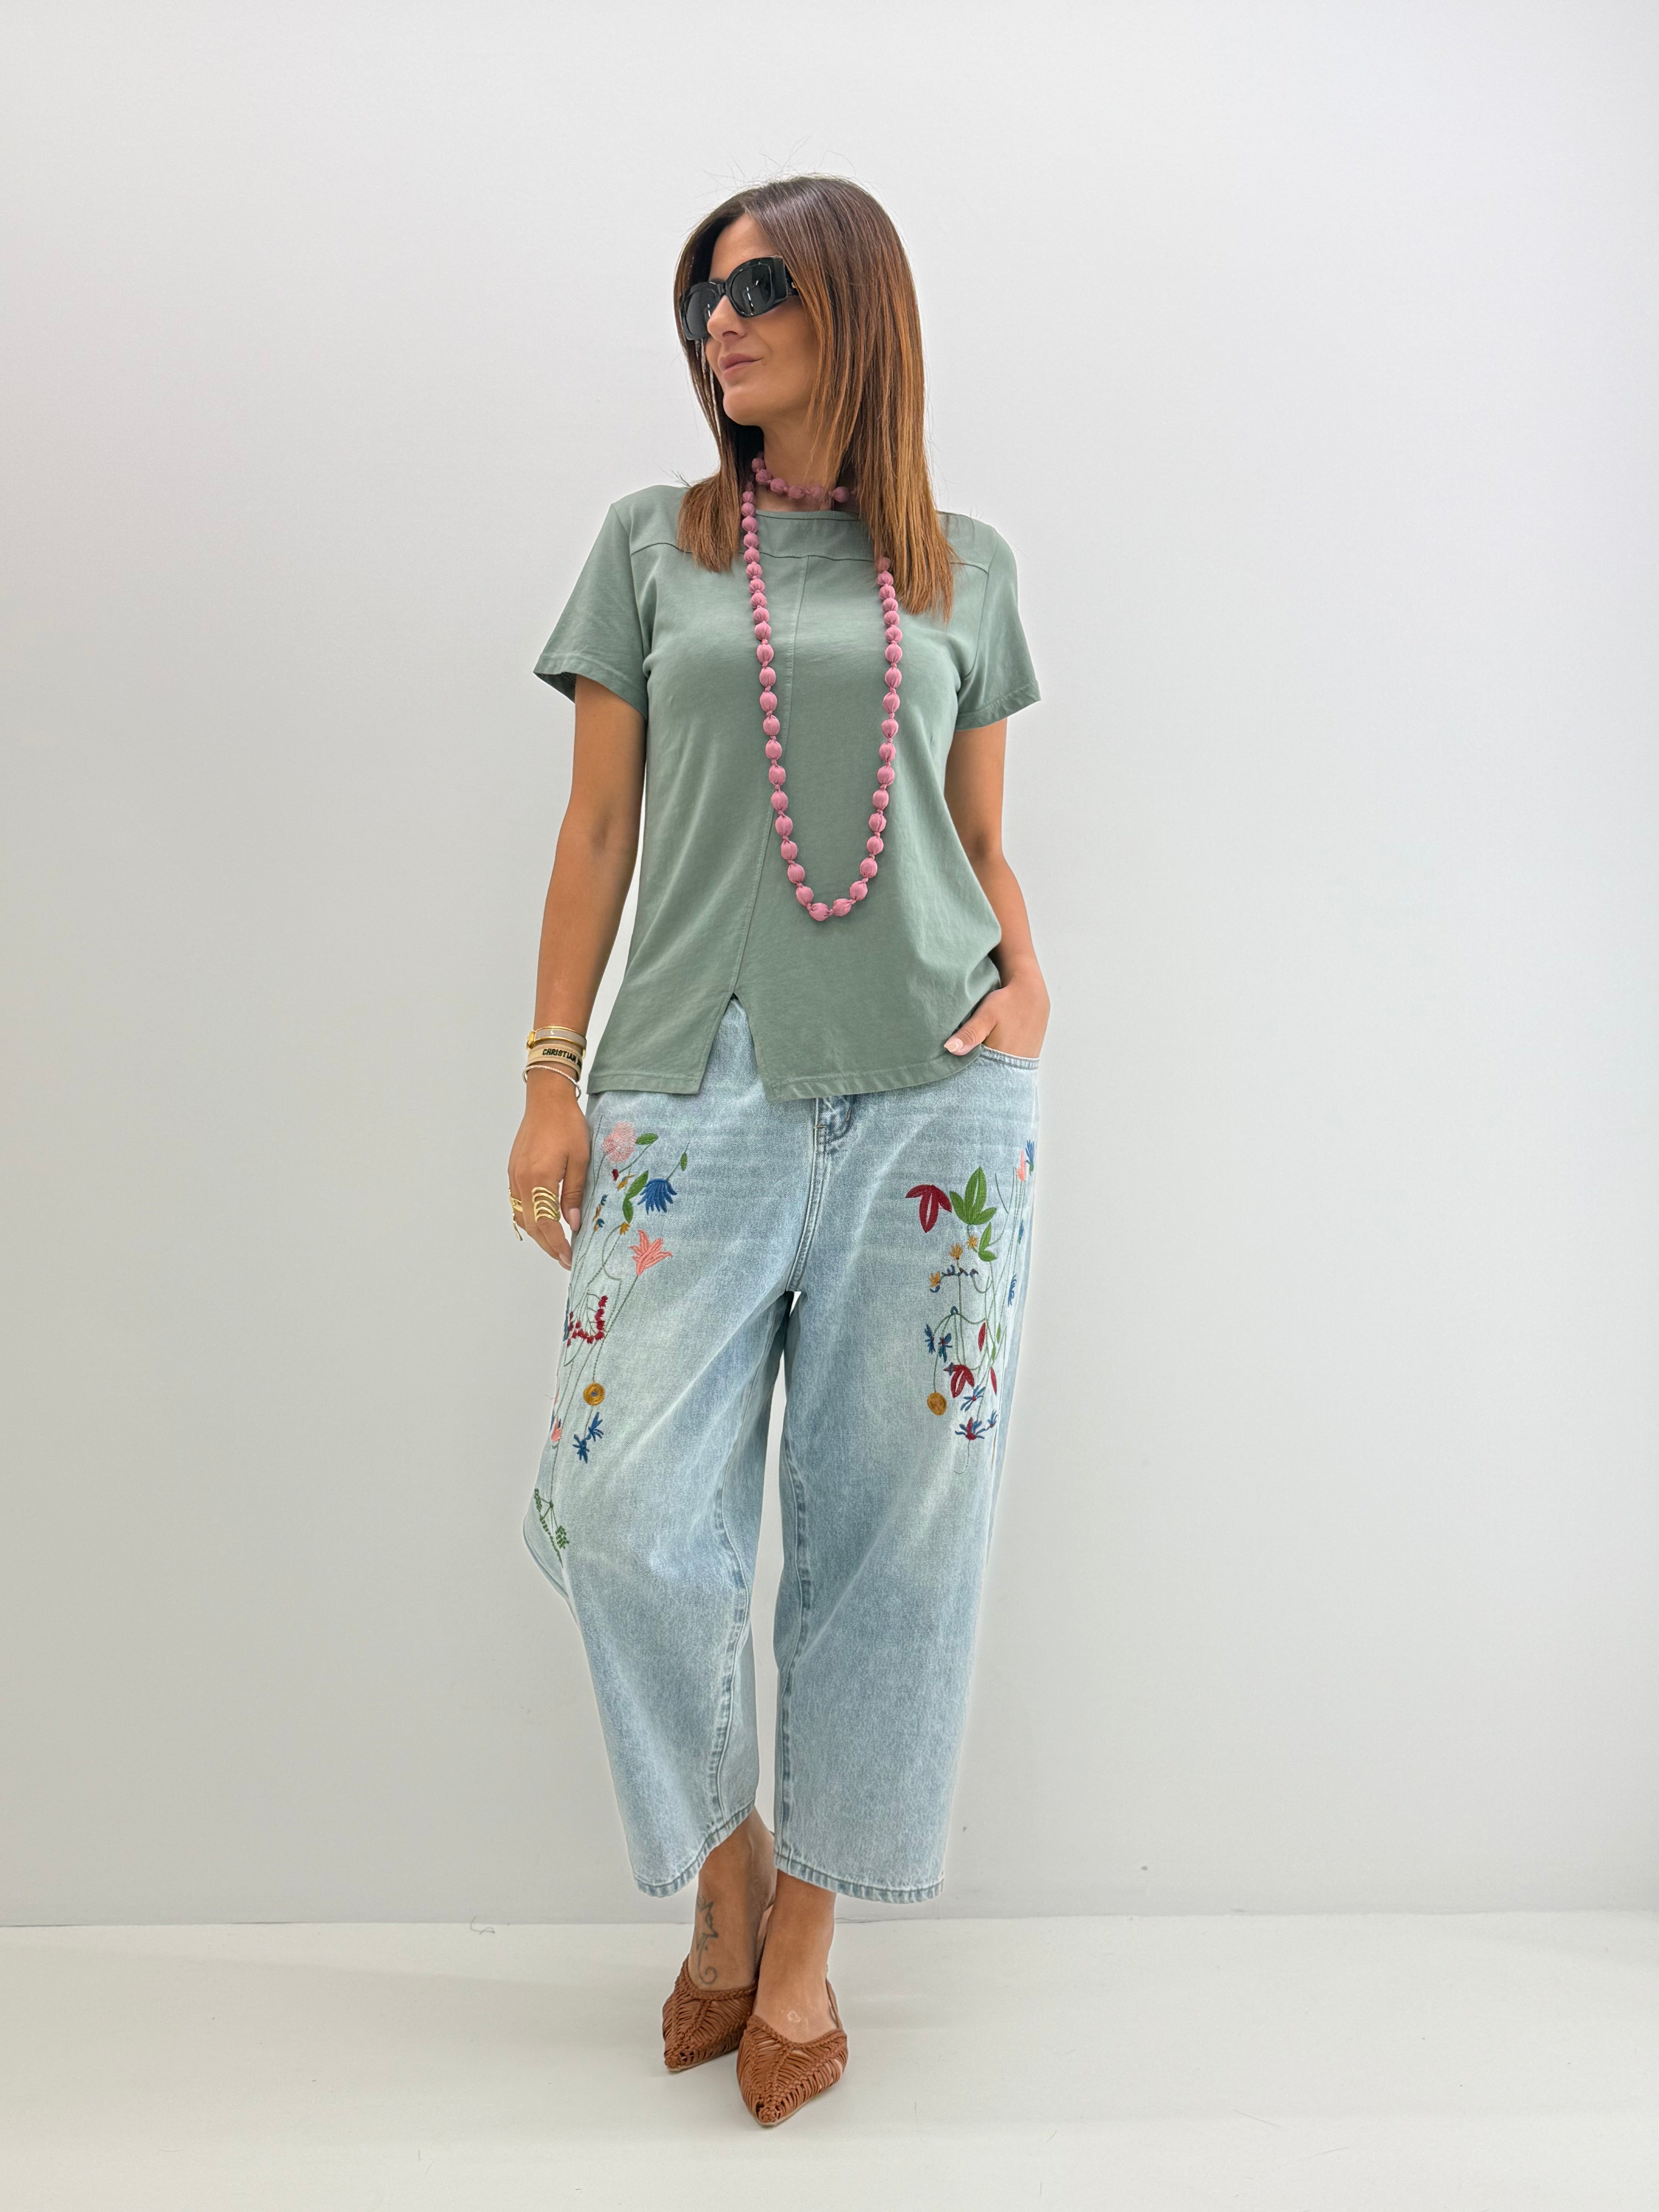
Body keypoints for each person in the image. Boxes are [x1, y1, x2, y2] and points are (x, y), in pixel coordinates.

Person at [508, 173, 1048, 2128]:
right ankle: (725, 1876)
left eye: (755, 289)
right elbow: (597, 831)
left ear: (852, 309)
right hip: (689, 1086)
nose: (717, 324)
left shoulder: (965, 567)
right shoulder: (653, 547)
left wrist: (1031, 981)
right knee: (619, 1516)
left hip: (938, 1099)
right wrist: (552, 1072)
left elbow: (977, 845)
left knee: (897, 1532)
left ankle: (804, 1938)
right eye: (700, 299)